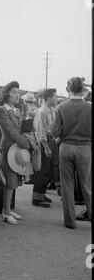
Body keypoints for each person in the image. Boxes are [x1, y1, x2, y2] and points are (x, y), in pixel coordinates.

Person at [51, 77, 91, 229]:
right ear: (82, 89)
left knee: (67, 184)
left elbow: (55, 132)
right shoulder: (90, 107)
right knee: (87, 185)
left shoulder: (60, 107)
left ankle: (70, 221)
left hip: (66, 146)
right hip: (85, 147)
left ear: (68, 90)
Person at [0, 81, 29, 225]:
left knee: (15, 179)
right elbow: (9, 131)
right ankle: (5, 212)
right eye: (14, 92)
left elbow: (20, 129)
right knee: (9, 181)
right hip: (9, 146)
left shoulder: (17, 110)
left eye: (19, 92)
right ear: (7, 93)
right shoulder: (1, 109)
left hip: (17, 146)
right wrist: (25, 142)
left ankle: (9, 209)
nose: (18, 95)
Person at [32, 88, 58, 208]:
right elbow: (40, 132)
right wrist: (46, 147)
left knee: (48, 170)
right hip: (44, 143)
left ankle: (41, 194)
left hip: (50, 141)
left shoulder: (50, 110)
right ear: (48, 98)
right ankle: (37, 198)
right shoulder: (41, 112)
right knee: (42, 171)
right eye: (55, 96)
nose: (56, 99)